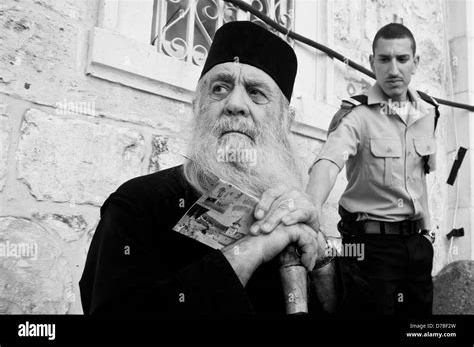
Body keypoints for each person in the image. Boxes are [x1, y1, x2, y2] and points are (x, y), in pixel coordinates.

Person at [79, 21, 374, 317]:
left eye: (256, 92)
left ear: (286, 122)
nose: (235, 103)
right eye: (219, 88)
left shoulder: (293, 213)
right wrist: (252, 249)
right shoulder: (138, 204)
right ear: (198, 106)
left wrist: (322, 259)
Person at [306, 23, 438, 316]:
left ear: (415, 62)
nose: (393, 69)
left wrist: (428, 235)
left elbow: (420, 178)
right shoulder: (357, 114)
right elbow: (329, 162)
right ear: (372, 62)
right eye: (384, 59)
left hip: (417, 248)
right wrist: (310, 211)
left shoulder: (428, 113)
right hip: (371, 249)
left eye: (402, 59)